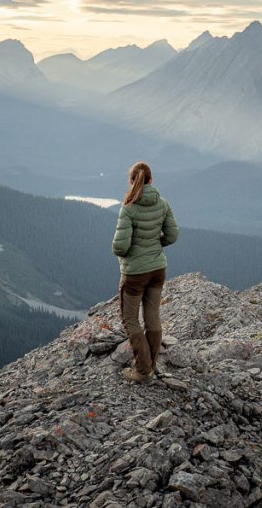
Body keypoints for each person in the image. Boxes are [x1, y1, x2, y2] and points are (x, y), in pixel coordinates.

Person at [111, 161, 179, 383]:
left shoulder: (128, 208)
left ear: (131, 181)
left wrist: (131, 252)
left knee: (130, 319)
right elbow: (172, 235)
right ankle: (150, 365)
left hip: (134, 274)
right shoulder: (163, 203)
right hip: (158, 269)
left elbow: (119, 247)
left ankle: (142, 370)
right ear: (151, 180)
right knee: (153, 317)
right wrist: (154, 245)